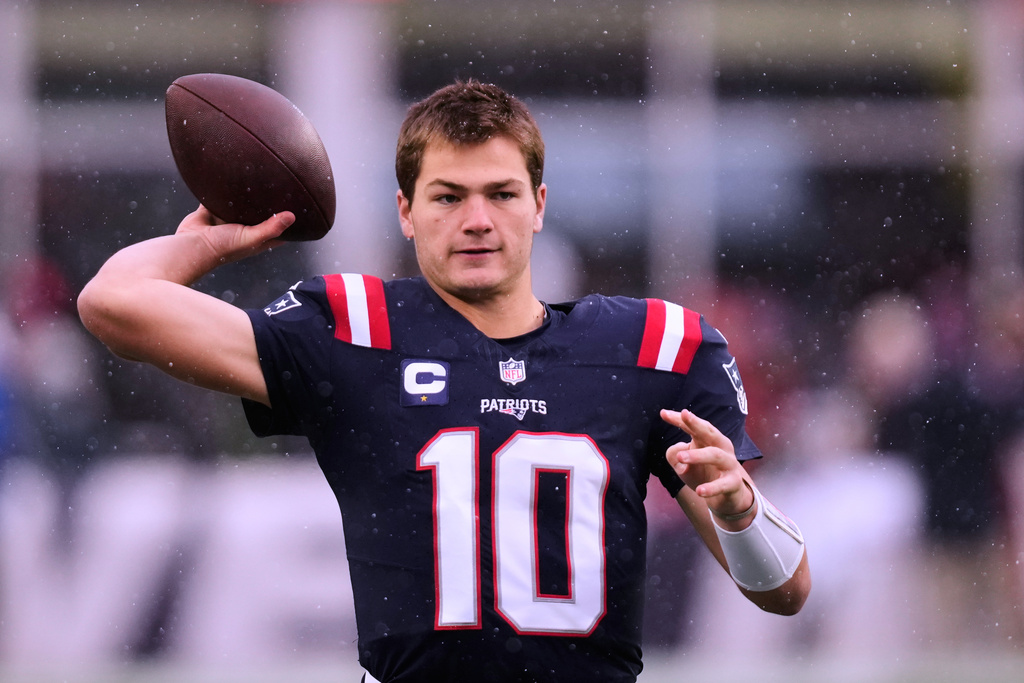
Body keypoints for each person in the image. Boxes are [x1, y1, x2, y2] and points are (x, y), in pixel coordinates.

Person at [77, 80, 810, 682]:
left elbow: (782, 590)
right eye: (448, 196)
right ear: (405, 211)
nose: (478, 220)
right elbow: (113, 303)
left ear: (540, 205)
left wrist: (741, 509)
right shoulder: (354, 333)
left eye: (501, 193)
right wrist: (208, 242)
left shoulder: (651, 347)